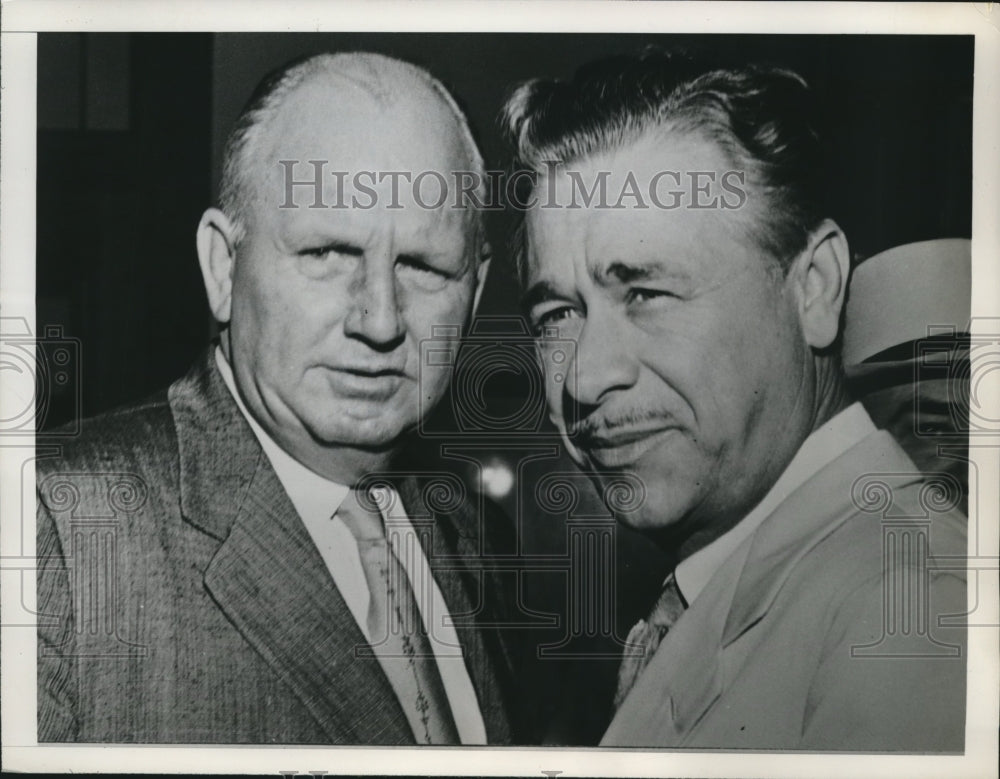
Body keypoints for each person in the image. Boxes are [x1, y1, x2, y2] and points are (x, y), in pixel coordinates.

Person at [37, 52, 515, 745]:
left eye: (423, 265)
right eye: (327, 253)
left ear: (473, 293)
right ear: (222, 266)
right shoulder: (58, 525)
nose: (379, 319)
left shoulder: (472, 532)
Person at [502, 50, 967, 751]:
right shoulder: (752, 581)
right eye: (557, 316)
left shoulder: (907, 607)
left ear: (814, 288)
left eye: (646, 293)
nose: (584, 379)